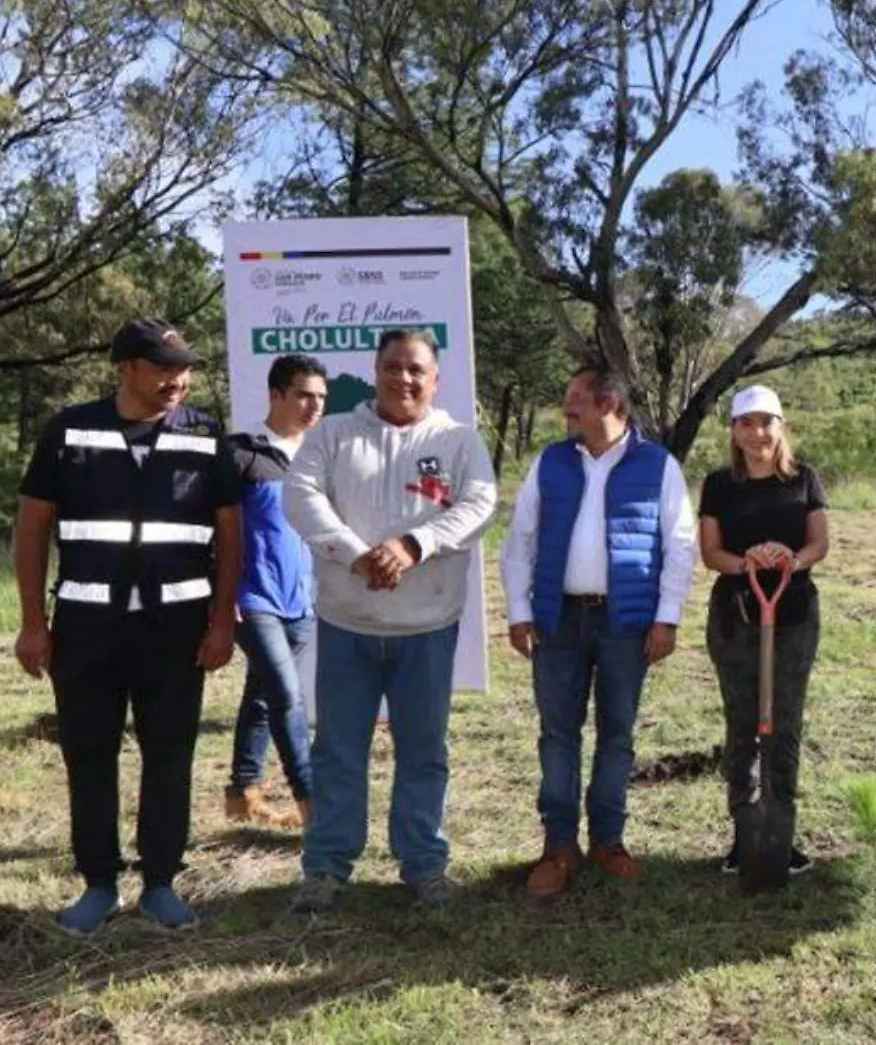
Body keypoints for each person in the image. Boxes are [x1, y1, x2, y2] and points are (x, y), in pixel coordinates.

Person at [12, 318, 242, 935]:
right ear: (126, 369)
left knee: (170, 754)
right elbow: (32, 527)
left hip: (176, 630)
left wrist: (222, 621)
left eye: (184, 368)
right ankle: (98, 884)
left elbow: (229, 534)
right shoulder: (69, 430)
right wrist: (34, 622)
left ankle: (162, 882)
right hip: (87, 629)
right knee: (89, 754)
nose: (178, 379)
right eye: (163, 368)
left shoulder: (205, 433)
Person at [283, 328, 498, 912]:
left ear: (435, 379)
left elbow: (480, 505)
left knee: (424, 752)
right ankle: (326, 868)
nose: (403, 379)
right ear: (375, 371)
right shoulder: (333, 434)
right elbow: (300, 496)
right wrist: (356, 554)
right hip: (348, 623)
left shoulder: (458, 442)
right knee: (337, 751)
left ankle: (424, 867)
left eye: (416, 370)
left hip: (426, 626)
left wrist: (414, 545)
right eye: (393, 367)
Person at [500, 365, 697, 896]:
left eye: (576, 399)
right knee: (558, 735)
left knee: (617, 735)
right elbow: (520, 541)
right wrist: (519, 610)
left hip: (625, 624)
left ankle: (608, 841)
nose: (567, 408)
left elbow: (680, 544)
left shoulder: (658, 465)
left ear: (610, 403)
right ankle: (558, 845)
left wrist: (668, 616)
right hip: (558, 621)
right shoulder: (551, 461)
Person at [699, 386, 830, 874]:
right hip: (736, 615)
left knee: (784, 726)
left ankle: (781, 836)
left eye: (766, 422)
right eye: (746, 423)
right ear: (734, 430)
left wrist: (792, 560)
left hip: (793, 614)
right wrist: (747, 561)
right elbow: (711, 553)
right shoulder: (718, 485)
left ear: (782, 426)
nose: (757, 433)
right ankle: (745, 835)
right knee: (743, 725)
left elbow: (820, 543)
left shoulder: (804, 480)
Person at [222, 354, 329, 830]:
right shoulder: (239, 453)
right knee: (288, 695)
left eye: (321, 398)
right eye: (305, 395)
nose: (315, 406)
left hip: (302, 601)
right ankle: (314, 808)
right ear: (276, 395)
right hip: (252, 599)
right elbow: (214, 530)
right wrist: (220, 597)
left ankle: (243, 794)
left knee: (264, 694)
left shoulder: (320, 455)